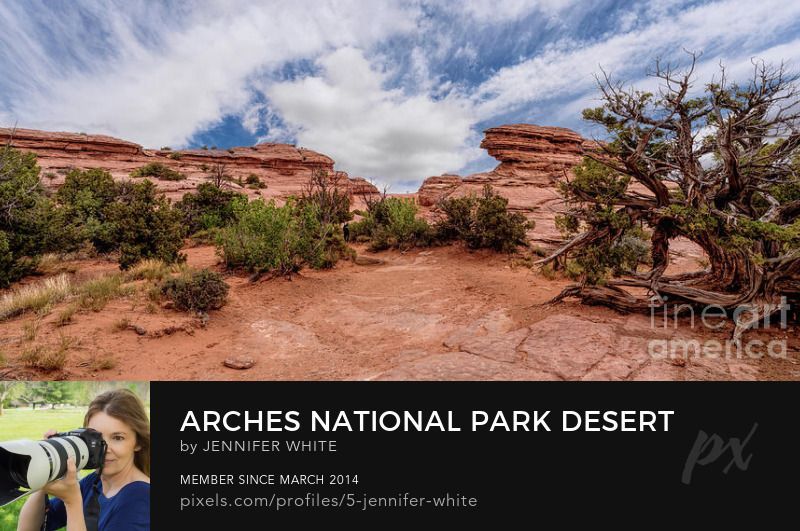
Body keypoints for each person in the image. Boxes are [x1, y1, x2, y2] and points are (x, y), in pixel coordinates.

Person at [17, 389, 150, 531]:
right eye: (96, 438)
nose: (104, 449)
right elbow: (29, 528)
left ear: (138, 442)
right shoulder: (95, 482)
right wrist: (47, 471)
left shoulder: (141, 498)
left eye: (117, 438)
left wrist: (72, 502)